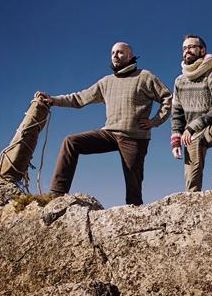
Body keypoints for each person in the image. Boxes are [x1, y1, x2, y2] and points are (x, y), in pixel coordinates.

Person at [35, 42, 172, 205]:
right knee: (71, 142)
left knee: (133, 187)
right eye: (113, 52)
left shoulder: (145, 77)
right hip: (109, 133)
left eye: (120, 52)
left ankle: (133, 218)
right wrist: (53, 100)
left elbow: (167, 98)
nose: (115, 55)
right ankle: (56, 194)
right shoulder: (106, 82)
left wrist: (155, 121)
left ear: (130, 55)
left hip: (134, 137)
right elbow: (79, 98)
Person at [170, 35, 212, 191]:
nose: (187, 51)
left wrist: (193, 126)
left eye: (192, 47)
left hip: (209, 128)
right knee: (192, 187)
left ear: (202, 50)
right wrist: (175, 140)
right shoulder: (179, 81)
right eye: (184, 48)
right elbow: (177, 113)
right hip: (191, 136)